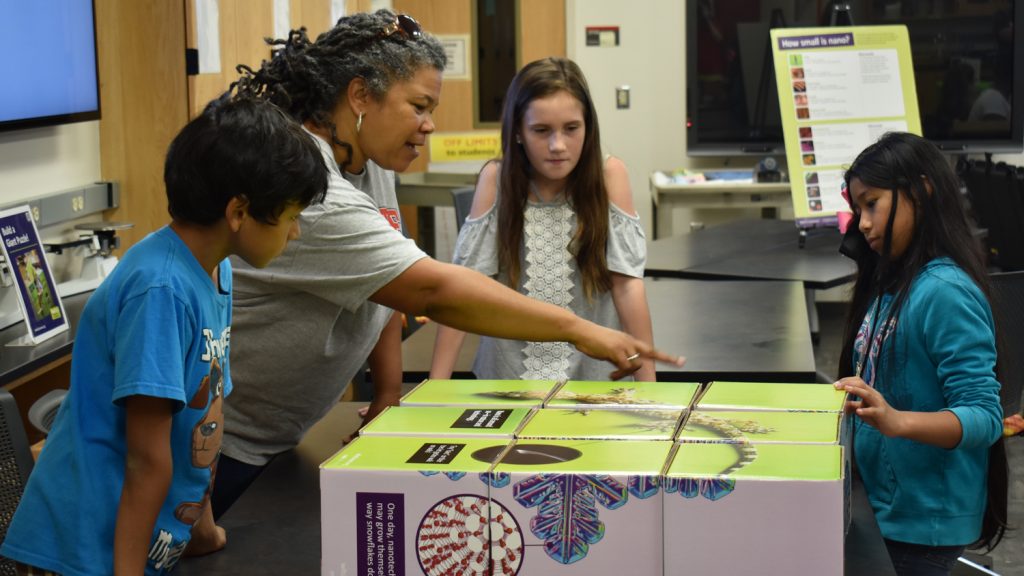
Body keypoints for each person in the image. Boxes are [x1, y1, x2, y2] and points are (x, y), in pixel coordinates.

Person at [212, 10, 682, 519]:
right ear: (360, 97)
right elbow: (430, 290)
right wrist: (577, 329)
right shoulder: (311, 186)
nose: (430, 125)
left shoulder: (367, 162)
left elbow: (382, 288)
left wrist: (390, 393)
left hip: (277, 432)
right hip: (225, 439)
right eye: (419, 106)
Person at [0, 94, 328, 575]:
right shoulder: (161, 290)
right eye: (291, 215)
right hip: (85, 555)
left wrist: (202, 532)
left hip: (139, 548)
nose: (295, 232)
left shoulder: (215, 270)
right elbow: (145, 461)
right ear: (239, 212)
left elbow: (203, 417)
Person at [833, 132, 1008, 575]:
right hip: (887, 508)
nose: (864, 224)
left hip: (921, 524)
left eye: (872, 204)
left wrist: (896, 421)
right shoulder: (892, 284)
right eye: (858, 211)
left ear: (922, 190)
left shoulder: (944, 292)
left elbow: (984, 416)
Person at [429, 57, 655, 382]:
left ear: (588, 127)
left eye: (571, 129)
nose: (558, 145)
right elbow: (464, 288)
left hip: (592, 381)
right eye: (541, 130)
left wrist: (650, 392)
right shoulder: (495, 179)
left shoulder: (610, 175)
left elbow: (627, 286)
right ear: (518, 132)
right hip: (507, 379)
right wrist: (435, 388)